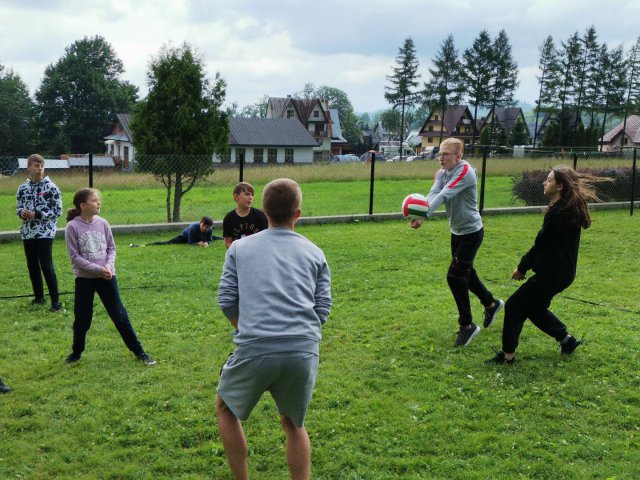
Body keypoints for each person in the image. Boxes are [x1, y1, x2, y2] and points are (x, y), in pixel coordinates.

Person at [216, 178, 332, 480]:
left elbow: (227, 299)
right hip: (303, 350)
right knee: (294, 424)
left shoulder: (239, 248)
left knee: (226, 410)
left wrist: (246, 328)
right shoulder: (315, 252)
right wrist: (300, 334)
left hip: (254, 347)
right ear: (298, 213)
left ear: (264, 210)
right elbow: (323, 307)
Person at [486, 166, 607, 364]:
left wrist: (521, 268)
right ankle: (567, 341)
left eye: (549, 180)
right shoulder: (567, 209)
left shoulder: (558, 213)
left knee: (514, 306)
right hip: (563, 274)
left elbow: (540, 246)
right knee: (534, 308)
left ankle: (508, 356)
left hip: (551, 275)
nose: (544, 182)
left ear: (560, 186)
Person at [410, 138, 503, 347]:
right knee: (466, 275)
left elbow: (444, 194)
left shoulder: (465, 171)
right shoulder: (442, 173)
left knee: (455, 278)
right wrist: (418, 210)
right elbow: (434, 192)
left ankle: (467, 326)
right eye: (439, 154)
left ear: (458, 156)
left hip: (472, 232)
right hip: (457, 232)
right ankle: (491, 304)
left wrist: (424, 217)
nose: (440, 158)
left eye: (445, 154)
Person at [64, 188, 156, 366]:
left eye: (98, 200)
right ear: (83, 205)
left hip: (107, 277)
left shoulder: (103, 223)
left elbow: (111, 249)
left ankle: (139, 352)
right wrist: (98, 270)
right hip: (85, 279)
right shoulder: (72, 227)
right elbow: (75, 257)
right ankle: (76, 352)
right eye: (94, 200)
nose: (99, 203)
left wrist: (108, 267)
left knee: (120, 315)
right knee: (83, 319)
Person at [16, 154, 63, 312]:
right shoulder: (23, 188)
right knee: (32, 265)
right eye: (36, 165)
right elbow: (18, 207)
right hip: (28, 233)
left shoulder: (52, 188)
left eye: (42, 165)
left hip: (45, 232)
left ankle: (55, 302)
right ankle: (39, 297)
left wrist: (37, 214)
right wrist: (21, 212)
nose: (39, 168)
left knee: (46, 265)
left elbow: (58, 211)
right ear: (28, 167)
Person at [222, 182, 268, 249]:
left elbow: (266, 238)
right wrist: (239, 252)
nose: (251, 197)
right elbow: (228, 243)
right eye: (247, 194)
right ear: (236, 196)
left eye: (252, 195)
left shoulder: (259, 215)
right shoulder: (229, 218)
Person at [130, 216, 221, 247]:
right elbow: (190, 242)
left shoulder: (209, 230)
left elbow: (210, 240)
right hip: (184, 237)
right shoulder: (193, 227)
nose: (205, 228)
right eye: (204, 226)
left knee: (217, 238)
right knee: (167, 243)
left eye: (208, 227)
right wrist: (198, 243)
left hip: (199, 238)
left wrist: (207, 243)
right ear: (201, 222)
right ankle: (143, 245)